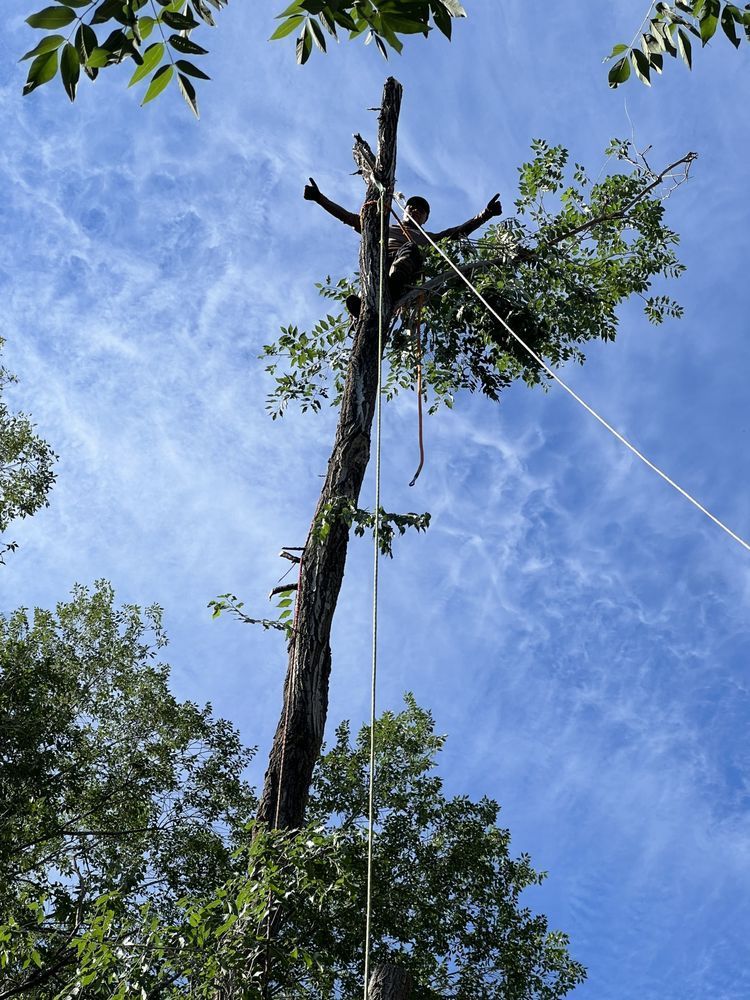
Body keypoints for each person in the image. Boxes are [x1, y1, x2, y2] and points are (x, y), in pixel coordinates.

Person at [303, 178, 503, 317]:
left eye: (422, 211)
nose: (416, 210)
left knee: (411, 249)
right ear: (405, 210)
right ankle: (363, 309)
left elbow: (458, 232)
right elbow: (348, 217)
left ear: (425, 219)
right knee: (381, 265)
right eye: (412, 207)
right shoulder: (380, 227)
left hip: (403, 269)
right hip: (379, 262)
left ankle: (391, 288)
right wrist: (320, 198)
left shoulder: (428, 238)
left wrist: (484, 214)